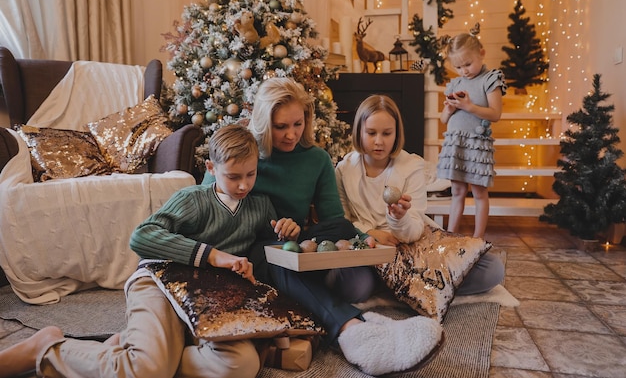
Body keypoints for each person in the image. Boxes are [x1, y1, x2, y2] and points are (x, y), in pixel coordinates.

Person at [0, 124, 300, 378]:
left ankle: (141, 350)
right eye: (233, 177)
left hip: (211, 299)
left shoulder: (261, 207)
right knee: (148, 369)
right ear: (211, 168)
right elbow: (142, 236)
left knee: (241, 365)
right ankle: (49, 347)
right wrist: (213, 255)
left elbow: (266, 249)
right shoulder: (193, 199)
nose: (244, 185)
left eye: (251, 174)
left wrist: (285, 232)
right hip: (162, 283)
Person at [202, 77, 443, 376]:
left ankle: (364, 324)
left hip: (295, 244)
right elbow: (208, 202)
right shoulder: (244, 152)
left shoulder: (317, 159)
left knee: (337, 227)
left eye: (298, 124)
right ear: (264, 122)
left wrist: (364, 238)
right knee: (276, 255)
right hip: (250, 252)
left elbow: (333, 222)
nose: (291, 135)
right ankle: (352, 327)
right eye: (281, 127)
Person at [336, 94, 504, 296]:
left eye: (387, 133)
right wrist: (369, 233)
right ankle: (412, 286)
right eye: (371, 133)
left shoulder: (412, 166)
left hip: (411, 247)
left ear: (396, 134)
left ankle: (398, 285)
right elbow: (341, 220)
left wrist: (399, 218)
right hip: (369, 248)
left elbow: (414, 232)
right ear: (359, 132)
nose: (379, 141)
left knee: (491, 268)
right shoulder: (344, 170)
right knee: (352, 288)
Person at [437, 23, 506, 238]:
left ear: (482, 54)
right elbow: (443, 119)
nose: (464, 70)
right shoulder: (454, 83)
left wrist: (469, 107)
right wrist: (448, 110)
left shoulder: (490, 79)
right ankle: (450, 236)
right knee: (457, 191)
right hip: (455, 143)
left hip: (477, 143)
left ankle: (477, 238)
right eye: (458, 67)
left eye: (468, 64)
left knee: (479, 192)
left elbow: (495, 113)